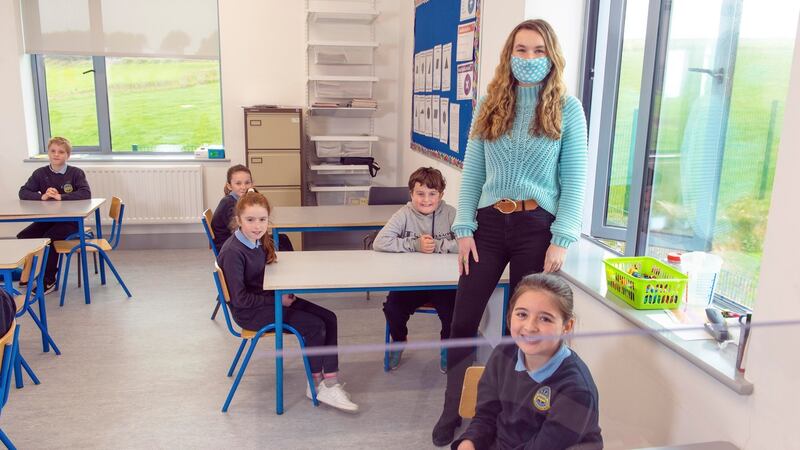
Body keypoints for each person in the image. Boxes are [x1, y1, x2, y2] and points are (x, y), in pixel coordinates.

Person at [433, 19, 588, 445]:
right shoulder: (490, 104)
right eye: (521, 50)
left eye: (538, 51)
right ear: (509, 54)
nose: (529, 58)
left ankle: (505, 420)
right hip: (487, 223)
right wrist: (464, 227)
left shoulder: (567, 108)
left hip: (536, 227)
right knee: (463, 319)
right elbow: (473, 172)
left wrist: (562, 237)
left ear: (552, 56)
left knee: (521, 331)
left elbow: (574, 179)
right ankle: (452, 411)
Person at [216, 190, 358, 413]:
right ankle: (315, 384)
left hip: (269, 297)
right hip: (251, 312)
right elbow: (241, 299)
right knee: (314, 326)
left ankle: (329, 381)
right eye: (250, 220)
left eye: (262, 219)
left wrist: (281, 293)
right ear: (238, 220)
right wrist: (277, 299)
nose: (257, 225)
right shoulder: (234, 251)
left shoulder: (257, 241)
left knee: (329, 318)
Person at [452, 274, 602, 450]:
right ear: (510, 316)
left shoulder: (576, 390)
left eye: (545, 318)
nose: (530, 327)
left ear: (566, 327)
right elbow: (486, 416)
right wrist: (470, 442)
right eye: (522, 314)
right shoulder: (503, 353)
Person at [373, 167, 458, 373]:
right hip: (411, 281)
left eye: (432, 194)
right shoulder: (403, 214)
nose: (426, 199)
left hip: (443, 283)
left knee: (452, 314)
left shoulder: (451, 214)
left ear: (441, 195)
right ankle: (399, 340)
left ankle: (447, 348)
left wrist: (437, 246)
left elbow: (464, 244)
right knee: (392, 308)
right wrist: (414, 244)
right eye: (420, 194)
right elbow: (380, 242)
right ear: (411, 194)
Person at [17, 137, 91, 293]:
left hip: (70, 222)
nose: (56, 155)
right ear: (48, 153)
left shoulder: (76, 173)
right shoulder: (40, 173)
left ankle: (48, 280)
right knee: (25, 236)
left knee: (50, 238)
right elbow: (23, 192)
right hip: (48, 220)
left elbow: (86, 193)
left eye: (61, 152)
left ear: (67, 156)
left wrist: (61, 197)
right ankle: (28, 275)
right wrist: (41, 196)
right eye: (53, 151)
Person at [210, 165, 293, 252]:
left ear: (252, 184)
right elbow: (242, 231)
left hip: (238, 243)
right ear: (229, 186)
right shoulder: (229, 203)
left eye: (247, 183)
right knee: (280, 242)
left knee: (283, 239)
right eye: (238, 183)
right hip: (231, 249)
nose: (243, 187)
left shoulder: (240, 200)